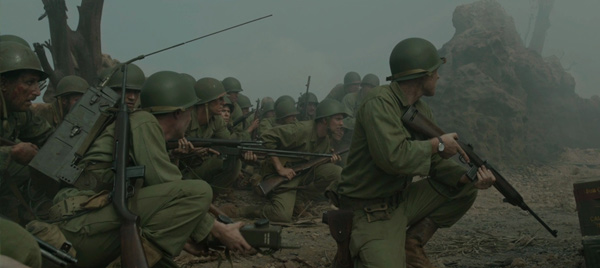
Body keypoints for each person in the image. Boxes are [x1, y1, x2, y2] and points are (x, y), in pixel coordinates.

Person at [48, 70, 251, 267]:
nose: (191, 119)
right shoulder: (144, 123)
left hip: (87, 223)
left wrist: (186, 234)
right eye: (190, 111)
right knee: (199, 191)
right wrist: (216, 229)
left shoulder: (139, 125)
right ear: (179, 112)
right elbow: (172, 188)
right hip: (79, 226)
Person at [331, 37, 496, 268]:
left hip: (401, 201)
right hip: (370, 211)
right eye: (435, 71)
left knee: (464, 189)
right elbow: (393, 158)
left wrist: (468, 177)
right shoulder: (378, 102)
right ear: (423, 75)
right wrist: (437, 144)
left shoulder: (421, 110)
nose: (438, 76)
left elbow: (435, 164)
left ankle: (412, 243)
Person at [225, 99, 347, 223]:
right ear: (324, 120)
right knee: (281, 216)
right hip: (279, 174)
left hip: (300, 173)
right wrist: (280, 168)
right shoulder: (300, 130)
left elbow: (313, 163)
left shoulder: (325, 139)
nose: (341, 123)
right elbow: (267, 137)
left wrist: (328, 161)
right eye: (337, 119)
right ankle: (241, 211)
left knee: (336, 172)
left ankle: (298, 201)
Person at [0, 41, 53, 222]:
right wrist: (11, 153)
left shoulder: (19, 112)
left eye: (38, 83)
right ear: (3, 83)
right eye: (29, 82)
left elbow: (48, 137)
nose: (37, 92)